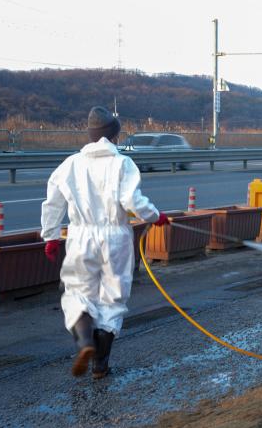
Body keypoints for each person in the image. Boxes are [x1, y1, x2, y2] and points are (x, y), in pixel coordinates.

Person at [41, 106, 169, 379]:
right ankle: (100, 365)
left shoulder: (71, 164)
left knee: (77, 293)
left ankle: (85, 343)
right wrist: (155, 216)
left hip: (81, 237)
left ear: (90, 135)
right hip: (115, 238)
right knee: (112, 299)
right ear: (115, 135)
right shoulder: (122, 163)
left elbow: (52, 202)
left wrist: (51, 236)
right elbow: (132, 202)